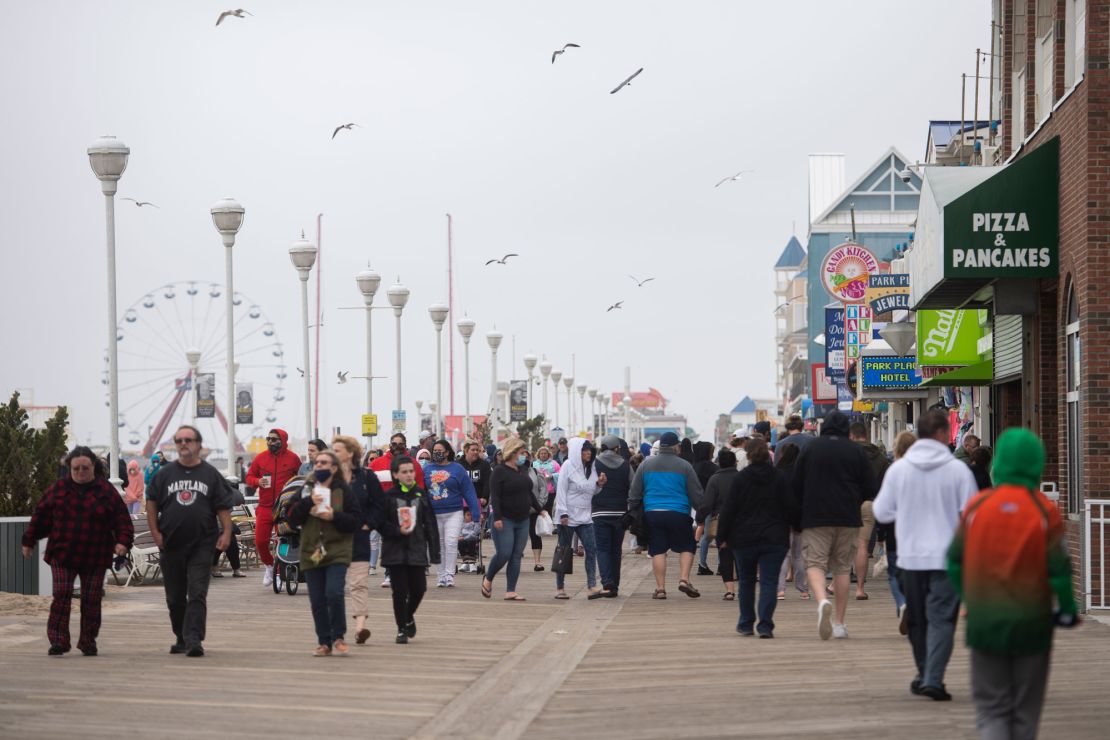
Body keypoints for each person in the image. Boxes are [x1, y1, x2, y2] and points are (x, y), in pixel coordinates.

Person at [946, 428, 1079, 738]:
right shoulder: (1045, 511)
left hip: (985, 621)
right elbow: (1059, 569)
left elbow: (954, 560)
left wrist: (968, 597)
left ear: (999, 463)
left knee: (991, 708)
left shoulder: (977, 507)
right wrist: (1069, 609)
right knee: (1025, 712)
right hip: (1032, 623)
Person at [873, 409, 979, 700]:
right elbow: (972, 516)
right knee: (942, 620)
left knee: (918, 621)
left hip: (910, 559)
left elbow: (881, 511)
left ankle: (925, 673)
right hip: (947, 559)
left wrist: (904, 512)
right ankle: (932, 677)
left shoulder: (899, 470)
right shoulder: (959, 471)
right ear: (945, 434)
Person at [21, 447, 134, 657]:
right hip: (62, 553)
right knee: (61, 596)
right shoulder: (59, 489)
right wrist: (29, 541)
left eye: (85, 468)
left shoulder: (105, 491)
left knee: (91, 599)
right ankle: (58, 641)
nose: (81, 472)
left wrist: (123, 542)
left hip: (96, 555)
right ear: (69, 469)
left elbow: (122, 520)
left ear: (94, 467)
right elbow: (41, 516)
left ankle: (88, 640)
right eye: (76, 468)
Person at [146, 425, 234, 657]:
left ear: (198, 444)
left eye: (189, 440)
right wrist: (155, 532)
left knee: (197, 592)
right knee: (175, 597)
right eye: (179, 440)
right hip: (171, 543)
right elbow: (152, 502)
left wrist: (226, 532)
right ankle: (181, 636)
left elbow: (223, 506)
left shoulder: (210, 474)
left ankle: (194, 639)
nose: (183, 444)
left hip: (202, 543)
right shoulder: (164, 474)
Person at [792, 410, 877, 640]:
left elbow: (795, 485)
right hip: (847, 517)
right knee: (841, 568)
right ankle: (839, 623)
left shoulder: (810, 448)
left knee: (815, 564)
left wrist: (795, 518)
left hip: (815, 516)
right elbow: (871, 488)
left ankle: (821, 601)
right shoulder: (856, 451)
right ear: (846, 430)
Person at [717, 437, 795, 638]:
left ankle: (745, 623)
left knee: (746, 581)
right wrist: (797, 526)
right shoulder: (779, 478)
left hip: (743, 538)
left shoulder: (740, 479)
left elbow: (728, 510)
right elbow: (791, 506)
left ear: (748, 455)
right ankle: (765, 625)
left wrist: (722, 536)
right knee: (769, 581)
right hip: (774, 537)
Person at [286, 450, 361, 656]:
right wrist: (308, 502)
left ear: (334, 468)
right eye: (317, 462)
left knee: (334, 592)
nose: (319, 466)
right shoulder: (306, 489)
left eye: (324, 463)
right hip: (311, 550)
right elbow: (291, 518)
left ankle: (338, 635)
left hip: (337, 549)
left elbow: (354, 521)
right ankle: (324, 641)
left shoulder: (343, 490)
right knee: (317, 599)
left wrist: (333, 516)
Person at [628, 431, 704, 600]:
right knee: (686, 546)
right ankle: (684, 579)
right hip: (679, 513)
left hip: (653, 513)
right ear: (675, 446)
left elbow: (635, 492)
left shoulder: (645, 466)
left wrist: (633, 510)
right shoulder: (685, 466)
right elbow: (696, 493)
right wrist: (701, 510)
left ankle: (661, 589)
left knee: (658, 549)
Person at [379, 455, 441, 644]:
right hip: (395, 550)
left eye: (411, 471)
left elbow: (430, 523)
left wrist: (435, 551)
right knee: (399, 591)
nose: (408, 475)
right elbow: (381, 523)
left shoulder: (421, 494)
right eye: (404, 472)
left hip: (416, 548)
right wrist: (396, 531)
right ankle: (401, 629)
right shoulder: (389, 497)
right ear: (396, 475)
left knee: (419, 588)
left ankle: (408, 615)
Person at [332, 434, 384, 645]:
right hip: (333, 539)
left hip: (359, 537)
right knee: (334, 588)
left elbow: (379, 504)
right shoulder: (329, 478)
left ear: (350, 453)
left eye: (337, 450)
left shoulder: (366, 477)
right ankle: (336, 630)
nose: (332, 454)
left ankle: (360, 627)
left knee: (358, 584)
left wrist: (368, 523)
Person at [482, 438, 541, 601]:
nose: (524, 456)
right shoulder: (499, 471)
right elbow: (495, 497)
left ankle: (511, 590)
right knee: (504, 553)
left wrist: (540, 510)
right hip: (504, 519)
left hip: (523, 519)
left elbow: (529, 492)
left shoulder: (522, 470)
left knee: (516, 555)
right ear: (513, 452)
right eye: (522, 452)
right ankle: (488, 578)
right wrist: (498, 518)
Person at [245, 428, 302, 587]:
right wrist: (257, 482)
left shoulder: (293, 459)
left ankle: (279, 572)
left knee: (282, 541)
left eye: (274, 439)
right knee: (260, 541)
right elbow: (249, 477)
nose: (270, 442)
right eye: (268, 439)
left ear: (283, 441)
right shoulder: (260, 458)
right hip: (265, 507)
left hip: (285, 507)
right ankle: (269, 566)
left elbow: (301, 478)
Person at [370, 432, 427, 588]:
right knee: (389, 541)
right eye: (394, 444)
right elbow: (369, 487)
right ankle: (390, 573)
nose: (397, 447)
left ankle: (404, 573)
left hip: (407, 509)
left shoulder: (413, 464)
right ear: (389, 445)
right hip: (384, 510)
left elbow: (420, 486)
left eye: (400, 444)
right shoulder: (377, 464)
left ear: (405, 445)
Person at [423, 439, 481, 588]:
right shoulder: (427, 470)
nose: (437, 453)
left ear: (447, 452)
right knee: (439, 545)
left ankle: (449, 575)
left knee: (451, 542)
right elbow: (421, 492)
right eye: (434, 451)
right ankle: (441, 575)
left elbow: (469, 492)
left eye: (440, 451)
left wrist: (476, 515)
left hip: (454, 512)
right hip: (434, 514)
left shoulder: (458, 469)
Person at [554, 438, 603, 599]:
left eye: (590, 450)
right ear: (577, 452)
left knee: (591, 548)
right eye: (585, 450)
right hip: (568, 516)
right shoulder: (568, 466)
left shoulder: (591, 467)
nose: (588, 453)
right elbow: (561, 490)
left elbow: (592, 491)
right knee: (564, 551)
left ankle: (591, 585)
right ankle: (560, 587)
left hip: (585, 517)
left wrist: (600, 484)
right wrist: (563, 513)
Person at [849, 422, 890, 601]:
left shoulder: (846, 453)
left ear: (851, 436)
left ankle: (835, 583)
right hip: (870, 503)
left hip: (848, 503)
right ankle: (859, 588)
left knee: (844, 545)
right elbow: (884, 484)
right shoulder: (880, 457)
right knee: (863, 546)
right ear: (866, 434)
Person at [698, 448, 739, 600]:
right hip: (741, 520)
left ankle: (730, 590)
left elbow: (707, 502)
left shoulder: (715, 479)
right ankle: (745, 585)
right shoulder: (741, 477)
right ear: (735, 462)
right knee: (741, 553)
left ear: (719, 463)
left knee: (725, 553)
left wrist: (700, 517)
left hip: (721, 521)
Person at [593, 435, 631, 597]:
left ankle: (607, 582)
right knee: (616, 550)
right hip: (620, 513)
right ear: (617, 448)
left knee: (602, 549)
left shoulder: (594, 464)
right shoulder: (625, 465)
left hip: (599, 512)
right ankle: (614, 585)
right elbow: (633, 487)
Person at [774, 444, 808, 600]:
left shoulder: (777, 473)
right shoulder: (803, 473)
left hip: (782, 516)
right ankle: (803, 589)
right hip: (799, 516)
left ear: (783, 455)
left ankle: (780, 589)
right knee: (798, 555)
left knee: (784, 554)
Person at [691, 441, 718, 576]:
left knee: (706, 536)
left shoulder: (693, 467)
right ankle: (719, 565)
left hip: (698, 504)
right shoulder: (712, 468)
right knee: (715, 535)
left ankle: (702, 564)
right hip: (712, 505)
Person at [523, 448, 552, 571]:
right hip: (516, 511)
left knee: (535, 535)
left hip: (533, 510)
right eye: (520, 455)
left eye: (526, 456)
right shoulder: (511, 472)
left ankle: (537, 562)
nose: (524, 458)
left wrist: (539, 505)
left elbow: (543, 489)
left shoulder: (535, 472)